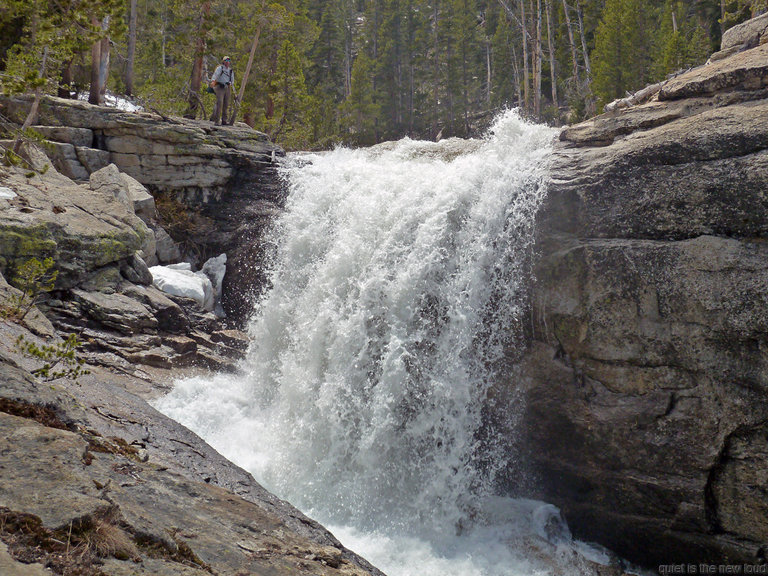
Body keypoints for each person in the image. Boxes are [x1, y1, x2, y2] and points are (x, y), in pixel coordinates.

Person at [209, 56, 235, 125]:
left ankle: (224, 120)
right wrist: (213, 81)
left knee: (226, 104)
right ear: (223, 61)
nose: (227, 62)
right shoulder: (220, 68)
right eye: (226, 60)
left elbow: (232, 81)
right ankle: (216, 120)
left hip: (227, 88)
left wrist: (230, 84)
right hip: (219, 87)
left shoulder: (230, 70)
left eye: (228, 61)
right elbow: (215, 75)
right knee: (219, 103)